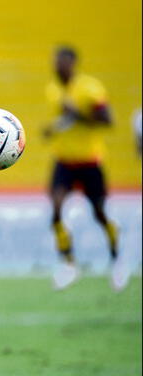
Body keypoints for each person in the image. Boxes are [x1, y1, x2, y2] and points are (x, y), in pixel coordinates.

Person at [43, 46, 128, 291]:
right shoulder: (52, 89)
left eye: (62, 62)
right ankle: (69, 263)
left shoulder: (90, 88)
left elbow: (107, 120)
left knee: (99, 213)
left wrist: (78, 115)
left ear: (73, 63)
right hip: (64, 161)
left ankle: (117, 260)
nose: (58, 66)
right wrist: (52, 129)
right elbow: (65, 122)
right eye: (56, 61)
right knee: (57, 209)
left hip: (90, 161)